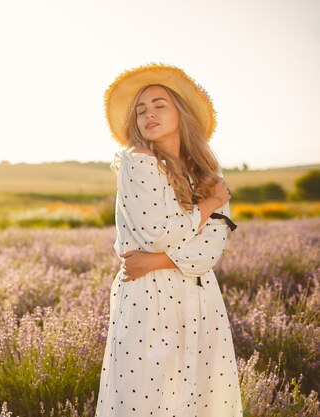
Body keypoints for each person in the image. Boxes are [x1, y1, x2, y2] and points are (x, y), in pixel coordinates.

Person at [94, 63, 243, 416]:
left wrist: (157, 260)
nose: (148, 114)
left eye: (159, 104)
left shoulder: (206, 170)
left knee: (199, 397)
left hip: (199, 295)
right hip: (148, 295)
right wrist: (210, 204)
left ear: (181, 111)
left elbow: (215, 242)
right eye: (141, 110)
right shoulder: (137, 162)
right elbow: (157, 232)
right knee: (146, 398)